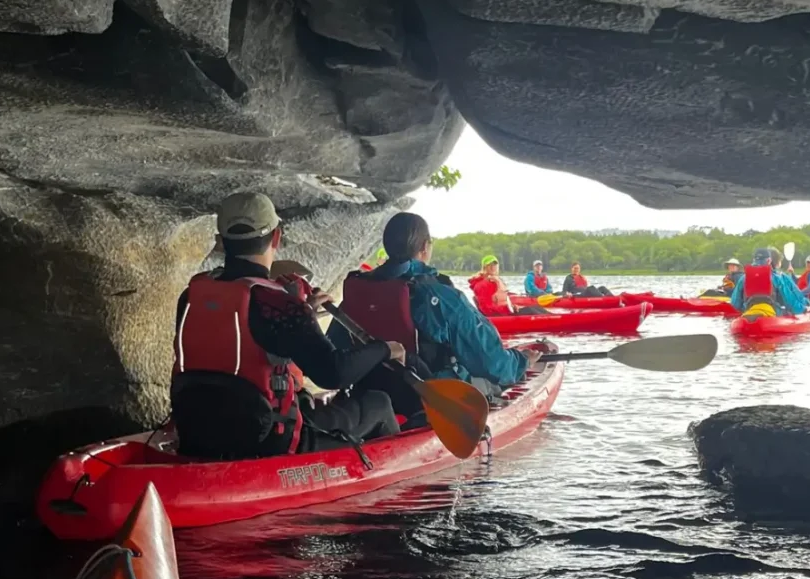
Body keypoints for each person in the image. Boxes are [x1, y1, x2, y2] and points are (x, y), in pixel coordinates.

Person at [171, 191, 407, 460]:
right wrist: (386, 349)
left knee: (305, 400)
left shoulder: (192, 296)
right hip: (268, 442)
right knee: (379, 403)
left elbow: (245, 337)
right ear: (276, 237)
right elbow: (334, 374)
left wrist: (305, 314)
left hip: (197, 434)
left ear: (220, 243)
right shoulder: (277, 304)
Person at [334, 213, 546, 397]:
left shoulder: (358, 290)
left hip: (371, 387)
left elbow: (335, 351)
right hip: (429, 394)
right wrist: (522, 360)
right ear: (425, 247)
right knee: (496, 381)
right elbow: (492, 364)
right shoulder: (439, 294)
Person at [730, 248, 810, 316]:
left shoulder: (743, 278)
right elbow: (790, 302)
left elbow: (734, 304)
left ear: (753, 260)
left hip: (749, 312)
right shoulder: (776, 278)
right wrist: (803, 309)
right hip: (772, 313)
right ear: (769, 261)